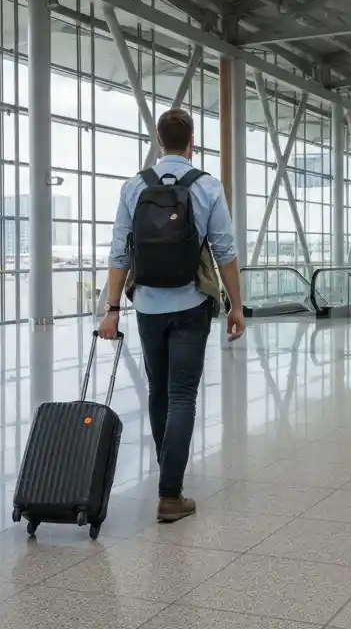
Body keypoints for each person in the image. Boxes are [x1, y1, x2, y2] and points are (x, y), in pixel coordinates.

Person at [100, 108, 245, 523]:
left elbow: (119, 252)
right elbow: (225, 253)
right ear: (192, 142)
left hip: (146, 304)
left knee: (158, 392)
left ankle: (170, 478)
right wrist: (236, 306)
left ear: (159, 141)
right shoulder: (207, 187)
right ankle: (170, 492)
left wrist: (112, 309)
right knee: (183, 395)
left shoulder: (133, 187)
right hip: (191, 304)